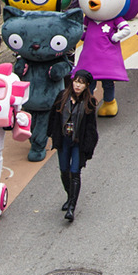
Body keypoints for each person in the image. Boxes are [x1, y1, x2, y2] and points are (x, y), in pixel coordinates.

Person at [47, 69, 99, 223]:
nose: (77, 85)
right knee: (64, 171)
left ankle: (71, 207)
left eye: (81, 83)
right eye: (76, 81)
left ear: (87, 86)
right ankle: (70, 196)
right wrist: (51, 134)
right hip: (64, 140)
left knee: (75, 172)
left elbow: (91, 128)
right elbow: (53, 116)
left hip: (78, 142)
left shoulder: (89, 103)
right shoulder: (62, 96)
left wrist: (88, 147)